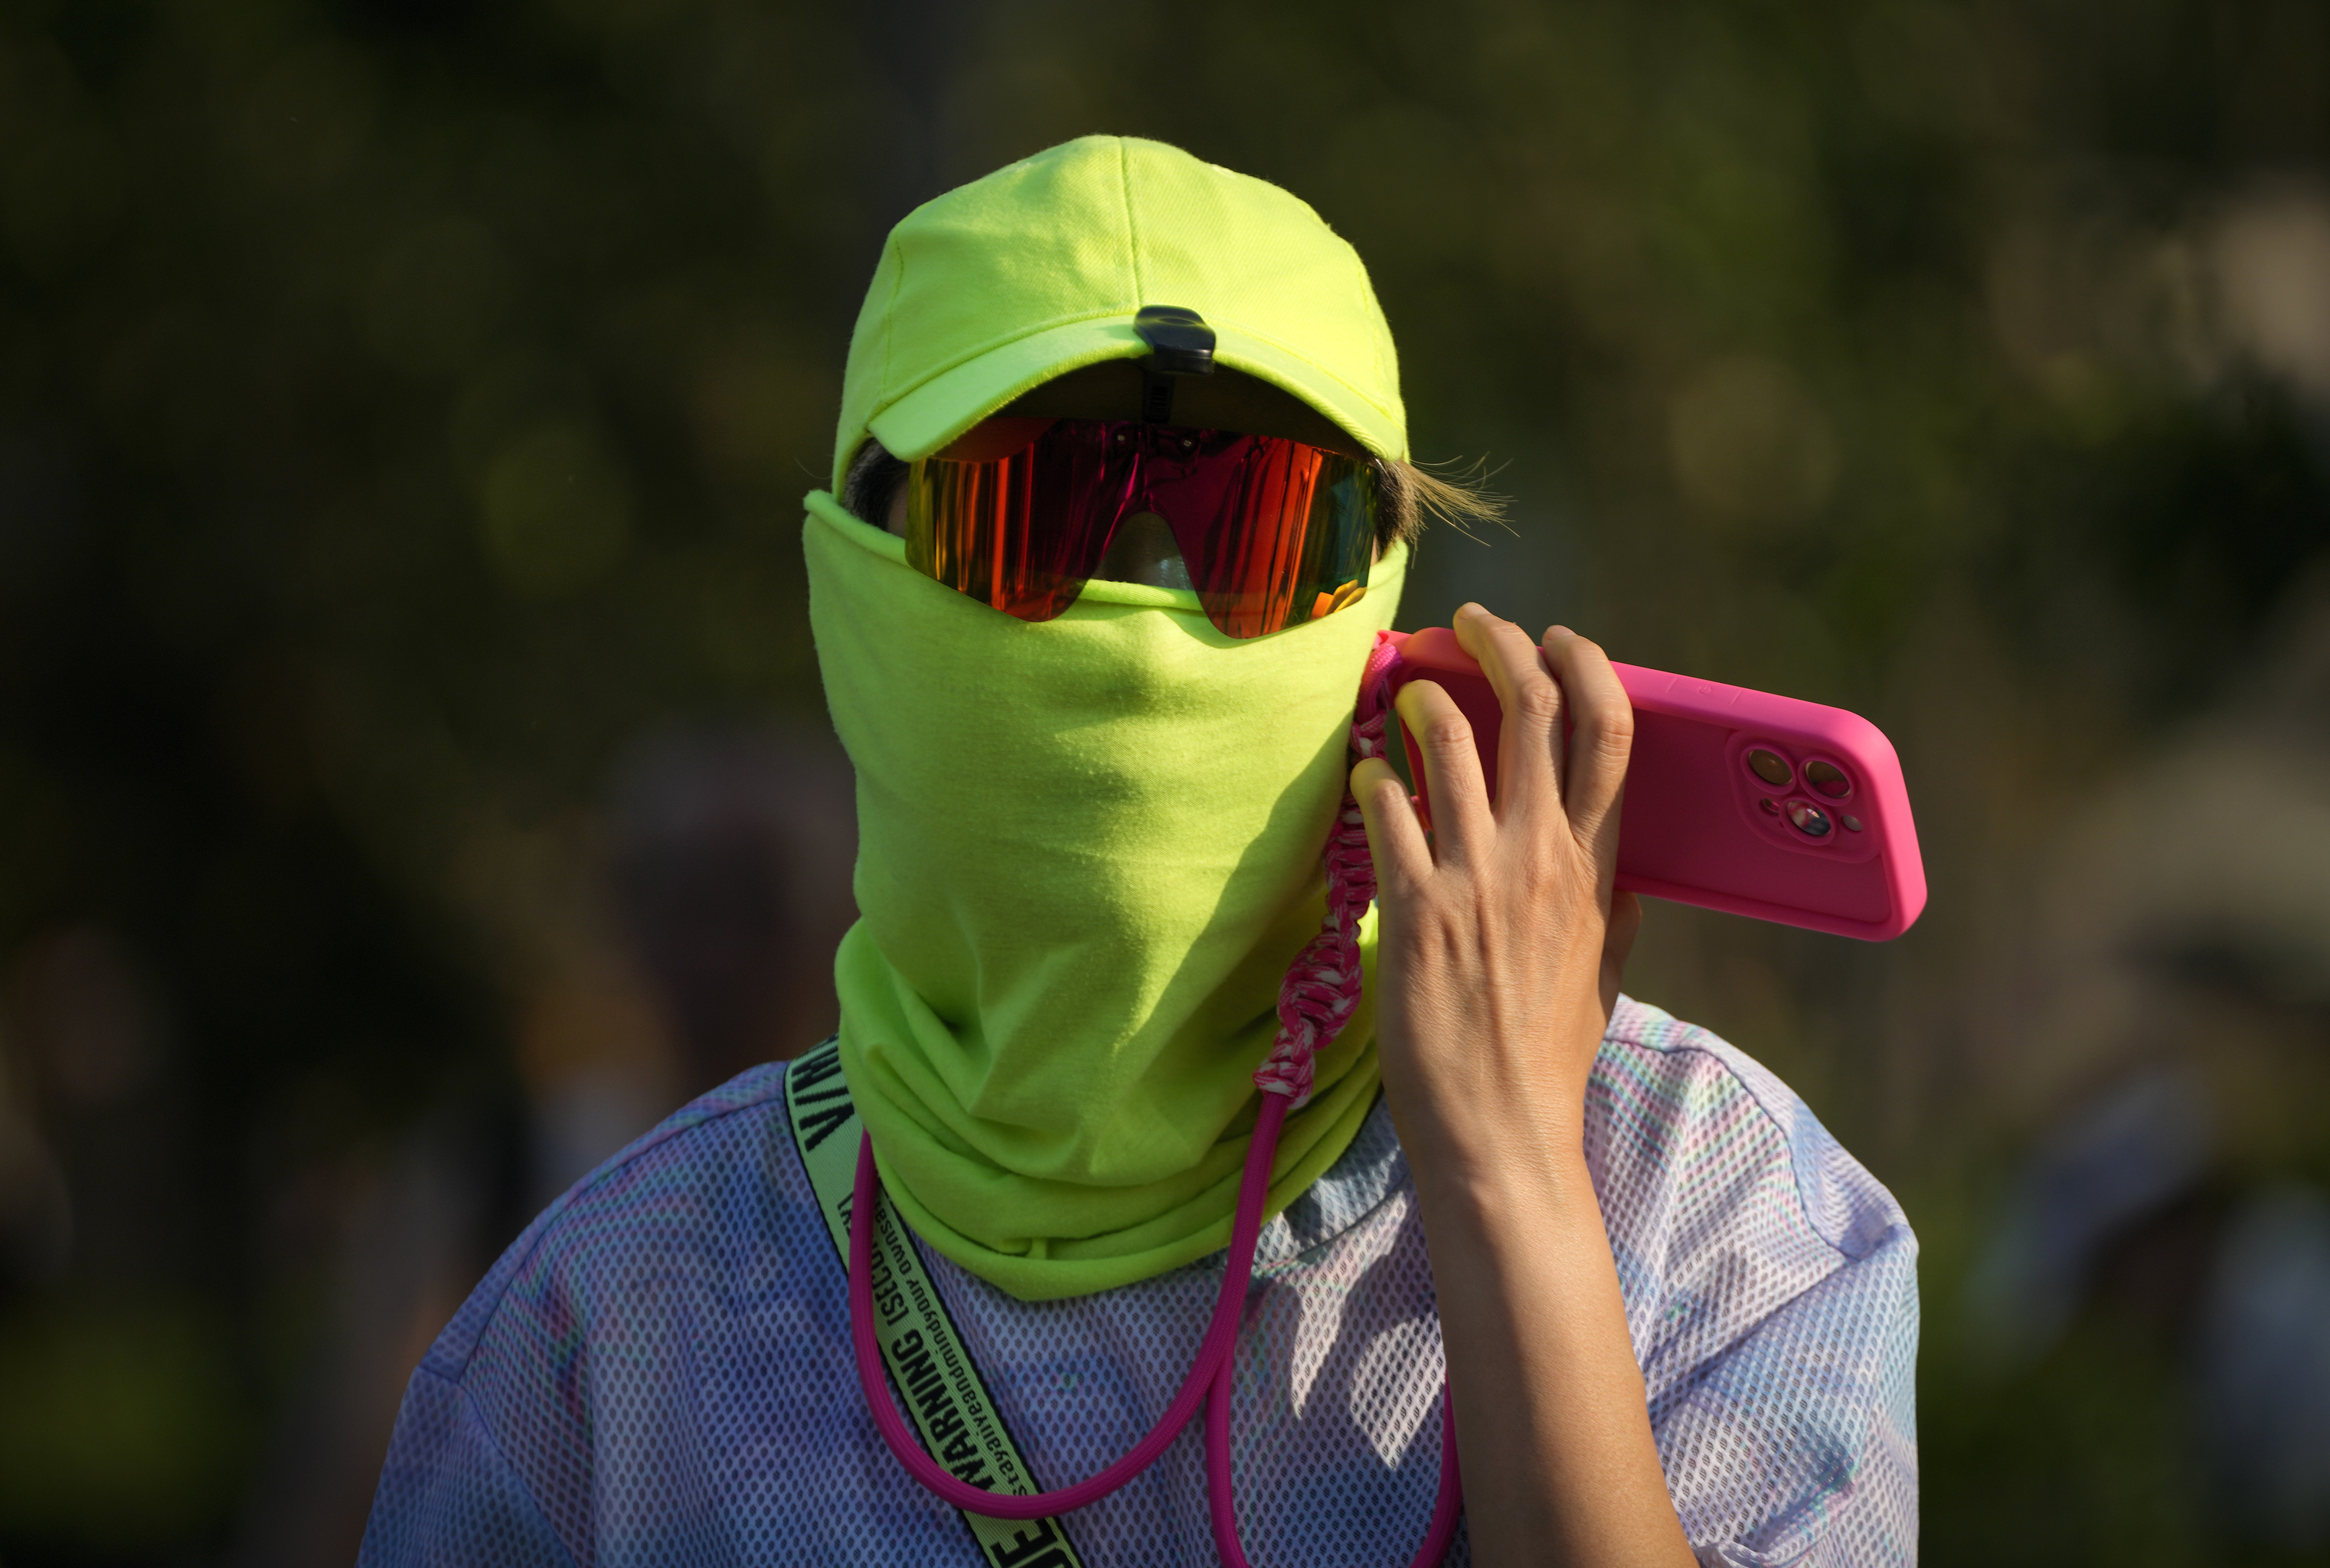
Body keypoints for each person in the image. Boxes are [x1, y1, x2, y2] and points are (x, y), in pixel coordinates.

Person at [358, 136, 1918, 1567]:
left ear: (1385, 603)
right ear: (854, 580)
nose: (1153, 628)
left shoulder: (1709, 1205)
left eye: (1255, 533)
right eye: (1035, 516)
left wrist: (1514, 1174)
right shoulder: (606, 1335)